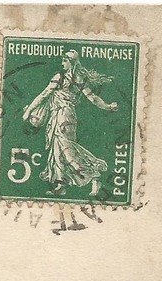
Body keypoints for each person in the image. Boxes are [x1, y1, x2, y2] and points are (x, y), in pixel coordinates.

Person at [22, 50, 119, 197]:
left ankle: (94, 176)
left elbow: (44, 94)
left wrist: (29, 111)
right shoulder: (78, 79)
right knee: (58, 150)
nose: (62, 62)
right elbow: (92, 97)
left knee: (67, 150)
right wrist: (108, 106)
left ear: (71, 62)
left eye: (64, 60)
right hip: (65, 116)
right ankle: (61, 185)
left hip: (62, 115)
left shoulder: (60, 77)